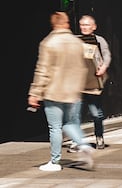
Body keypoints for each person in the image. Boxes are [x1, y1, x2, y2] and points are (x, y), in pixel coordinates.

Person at [27, 11, 94, 171]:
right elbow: (84, 67)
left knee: (55, 127)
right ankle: (84, 145)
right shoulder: (77, 43)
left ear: (54, 24)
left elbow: (42, 70)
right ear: (66, 24)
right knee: (70, 123)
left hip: (54, 91)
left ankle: (55, 161)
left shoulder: (48, 43)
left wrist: (35, 92)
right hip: (74, 91)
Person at [69, 15, 112, 151]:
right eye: (82, 25)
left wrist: (103, 67)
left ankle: (99, 136)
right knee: (74, 113)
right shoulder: (75, 40)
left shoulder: (99, 40)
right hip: (78, 83)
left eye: (87, 25)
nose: (84, 27)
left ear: (94, 27)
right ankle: (77, 141)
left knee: (96, 113)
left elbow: (106, 55)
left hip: (94, 82)